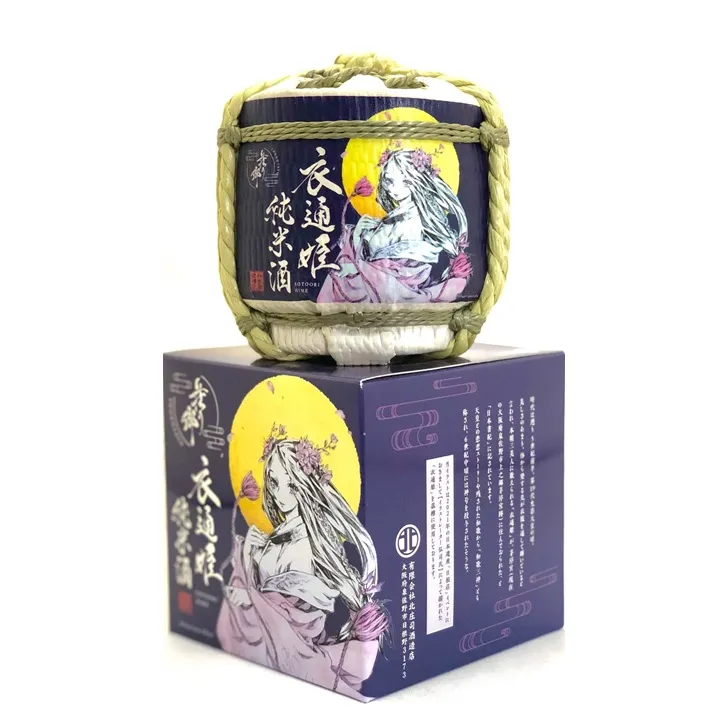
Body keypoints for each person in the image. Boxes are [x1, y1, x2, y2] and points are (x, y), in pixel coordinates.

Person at [216, 431, 387, 699]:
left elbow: (289, 617)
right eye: (274, 481)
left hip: (292, 651)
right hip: (258, 651)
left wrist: (251, 595)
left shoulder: (306, 547)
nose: (280, 493)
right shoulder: (276, 537)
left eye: (292, 485)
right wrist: (250, 555)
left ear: (305, 486)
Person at [317, 147, 472, 304]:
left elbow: (392, 279)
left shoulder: (413, 223)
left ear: (410, 182)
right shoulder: (395, 217)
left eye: (392, 181)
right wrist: (357, 234)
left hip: (387, 294)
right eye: (386, 180)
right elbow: (370, 257)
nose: (387, 187)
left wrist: (357, 268)